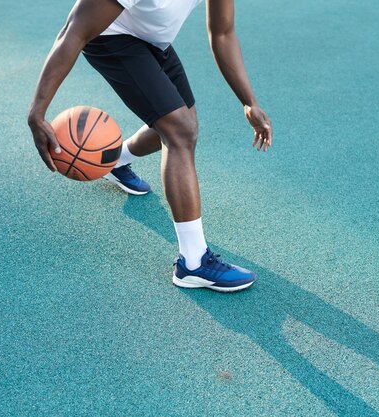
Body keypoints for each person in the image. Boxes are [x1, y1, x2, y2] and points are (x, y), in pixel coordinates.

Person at [28, 0, 272, 292]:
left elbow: (222, 32)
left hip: (152, 40)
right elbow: (74, 31)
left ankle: (115, 160)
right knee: (179, 132)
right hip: (110, 37)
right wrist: (38, 111)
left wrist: (249, 101)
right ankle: (193, 264)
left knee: (185, 127)